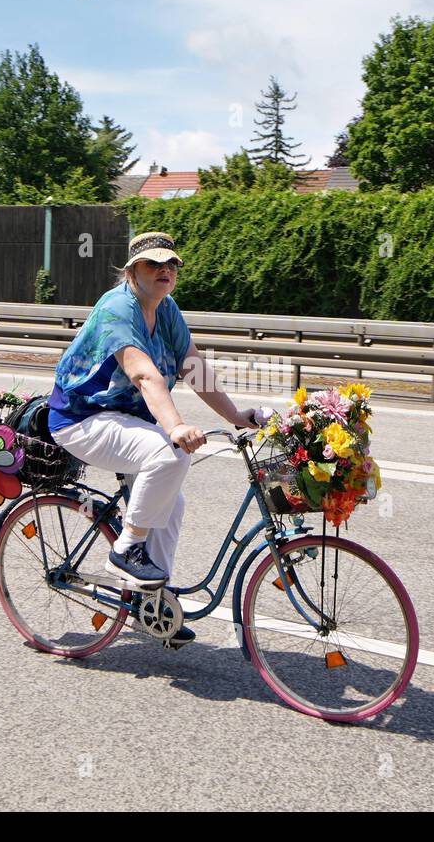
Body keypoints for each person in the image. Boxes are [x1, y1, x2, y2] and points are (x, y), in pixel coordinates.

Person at [48, 231, 270, 647]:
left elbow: (194, 367)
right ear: (133, 270)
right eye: (154, 264)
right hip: (81, 418)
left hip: (123, 418)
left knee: (171, 500)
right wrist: (174, 428)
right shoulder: (117, 308)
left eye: (172, 264)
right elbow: (144, 374)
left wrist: (237, 416)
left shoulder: (165, 309)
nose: (165, 270)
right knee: (170, 457)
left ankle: (155, 607)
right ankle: (126, 550)